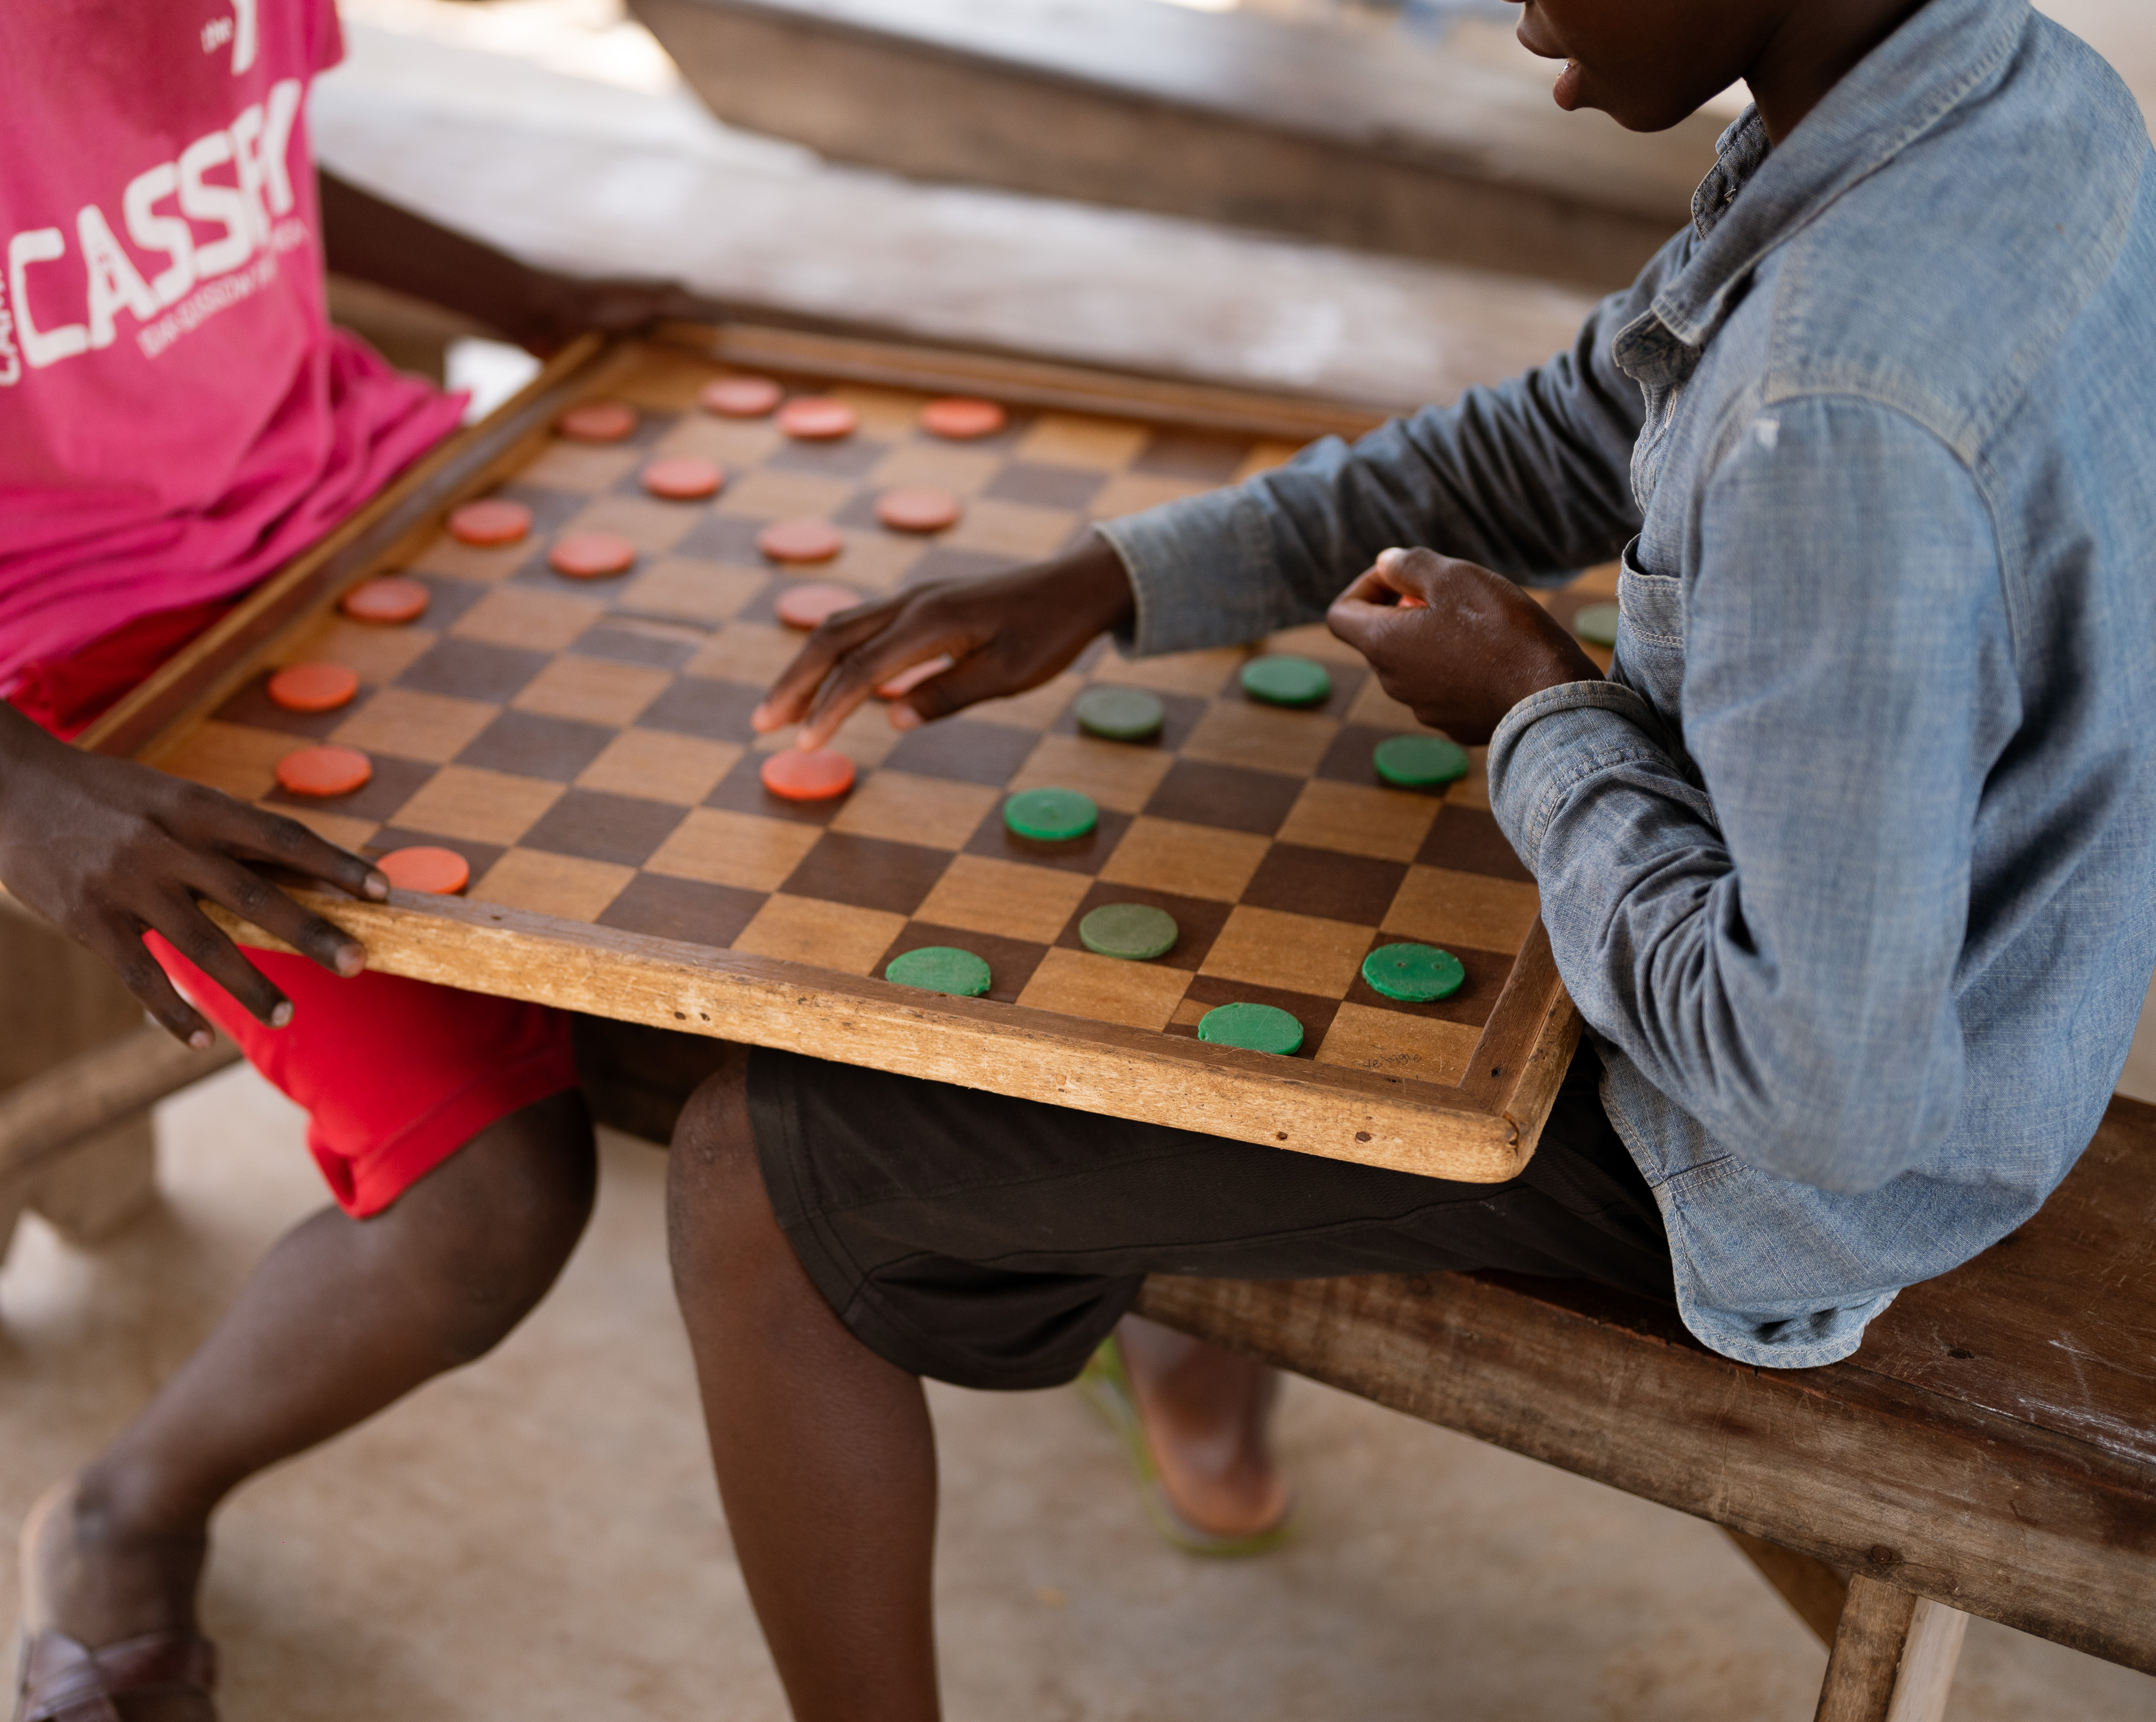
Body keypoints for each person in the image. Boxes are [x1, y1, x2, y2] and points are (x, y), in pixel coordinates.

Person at [663, 0, 2156, 1713]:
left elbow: (1817, 1089)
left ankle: (1133, 1324)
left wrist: (1536, 712)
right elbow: (1570, 436)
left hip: (1790, 1157)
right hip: (2004, 990)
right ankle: (1161, 1338)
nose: (1514, 17)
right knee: (1216, 844)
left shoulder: (1832, 406)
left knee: (757, 1169)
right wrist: (1117, 580)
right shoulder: (2001, 85)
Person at [0, 3, 705, 1717]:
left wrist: (525, 295)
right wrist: (4, 785)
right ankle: (126, 1513)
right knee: (489, 1198)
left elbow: (219, 161)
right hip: (71, 647)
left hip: (356, 478)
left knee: (766, 812)